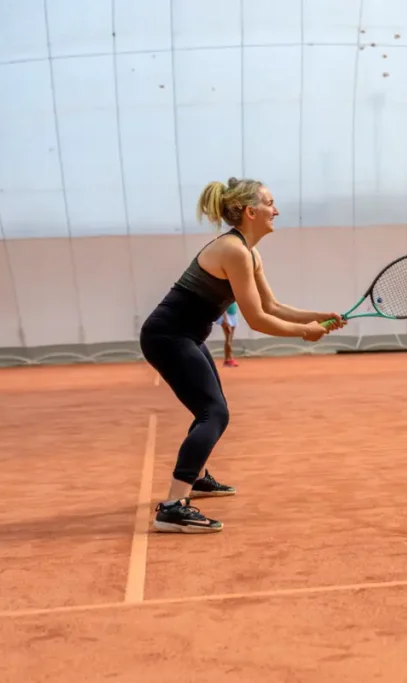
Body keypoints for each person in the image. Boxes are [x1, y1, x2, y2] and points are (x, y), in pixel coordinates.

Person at [139, 177, 346, 533]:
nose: (276, 210)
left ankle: (198, 479)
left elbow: (272, 305)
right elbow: (257, 319)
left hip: (185, 336)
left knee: (209, 407)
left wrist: (318, 317)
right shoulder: (233, 250)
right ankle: (173, 506)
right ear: (251, 211)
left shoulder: (249, 252)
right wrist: (304, 332)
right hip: (167, 336)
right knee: (214, 413)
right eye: (270, 203)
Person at [217, 302, 239, 367]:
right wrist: (225, 320)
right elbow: (223, 306)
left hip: (233, 315)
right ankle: (228, 359)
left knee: (230, 339)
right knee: (228, 339)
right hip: (226, 317)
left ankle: (228, 359)